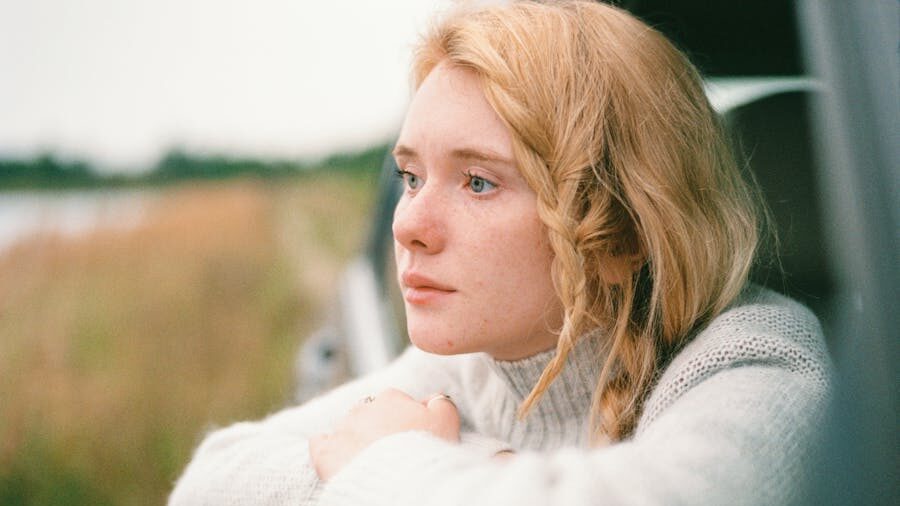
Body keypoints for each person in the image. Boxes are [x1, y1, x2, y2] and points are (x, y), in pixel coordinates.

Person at [169, 1, 831, 505]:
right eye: (410, 177)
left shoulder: (761, 356)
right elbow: (210, 479)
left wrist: (402, 459)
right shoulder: (467, 366)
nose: (409, 226)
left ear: (622, 236)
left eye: (479, 181)